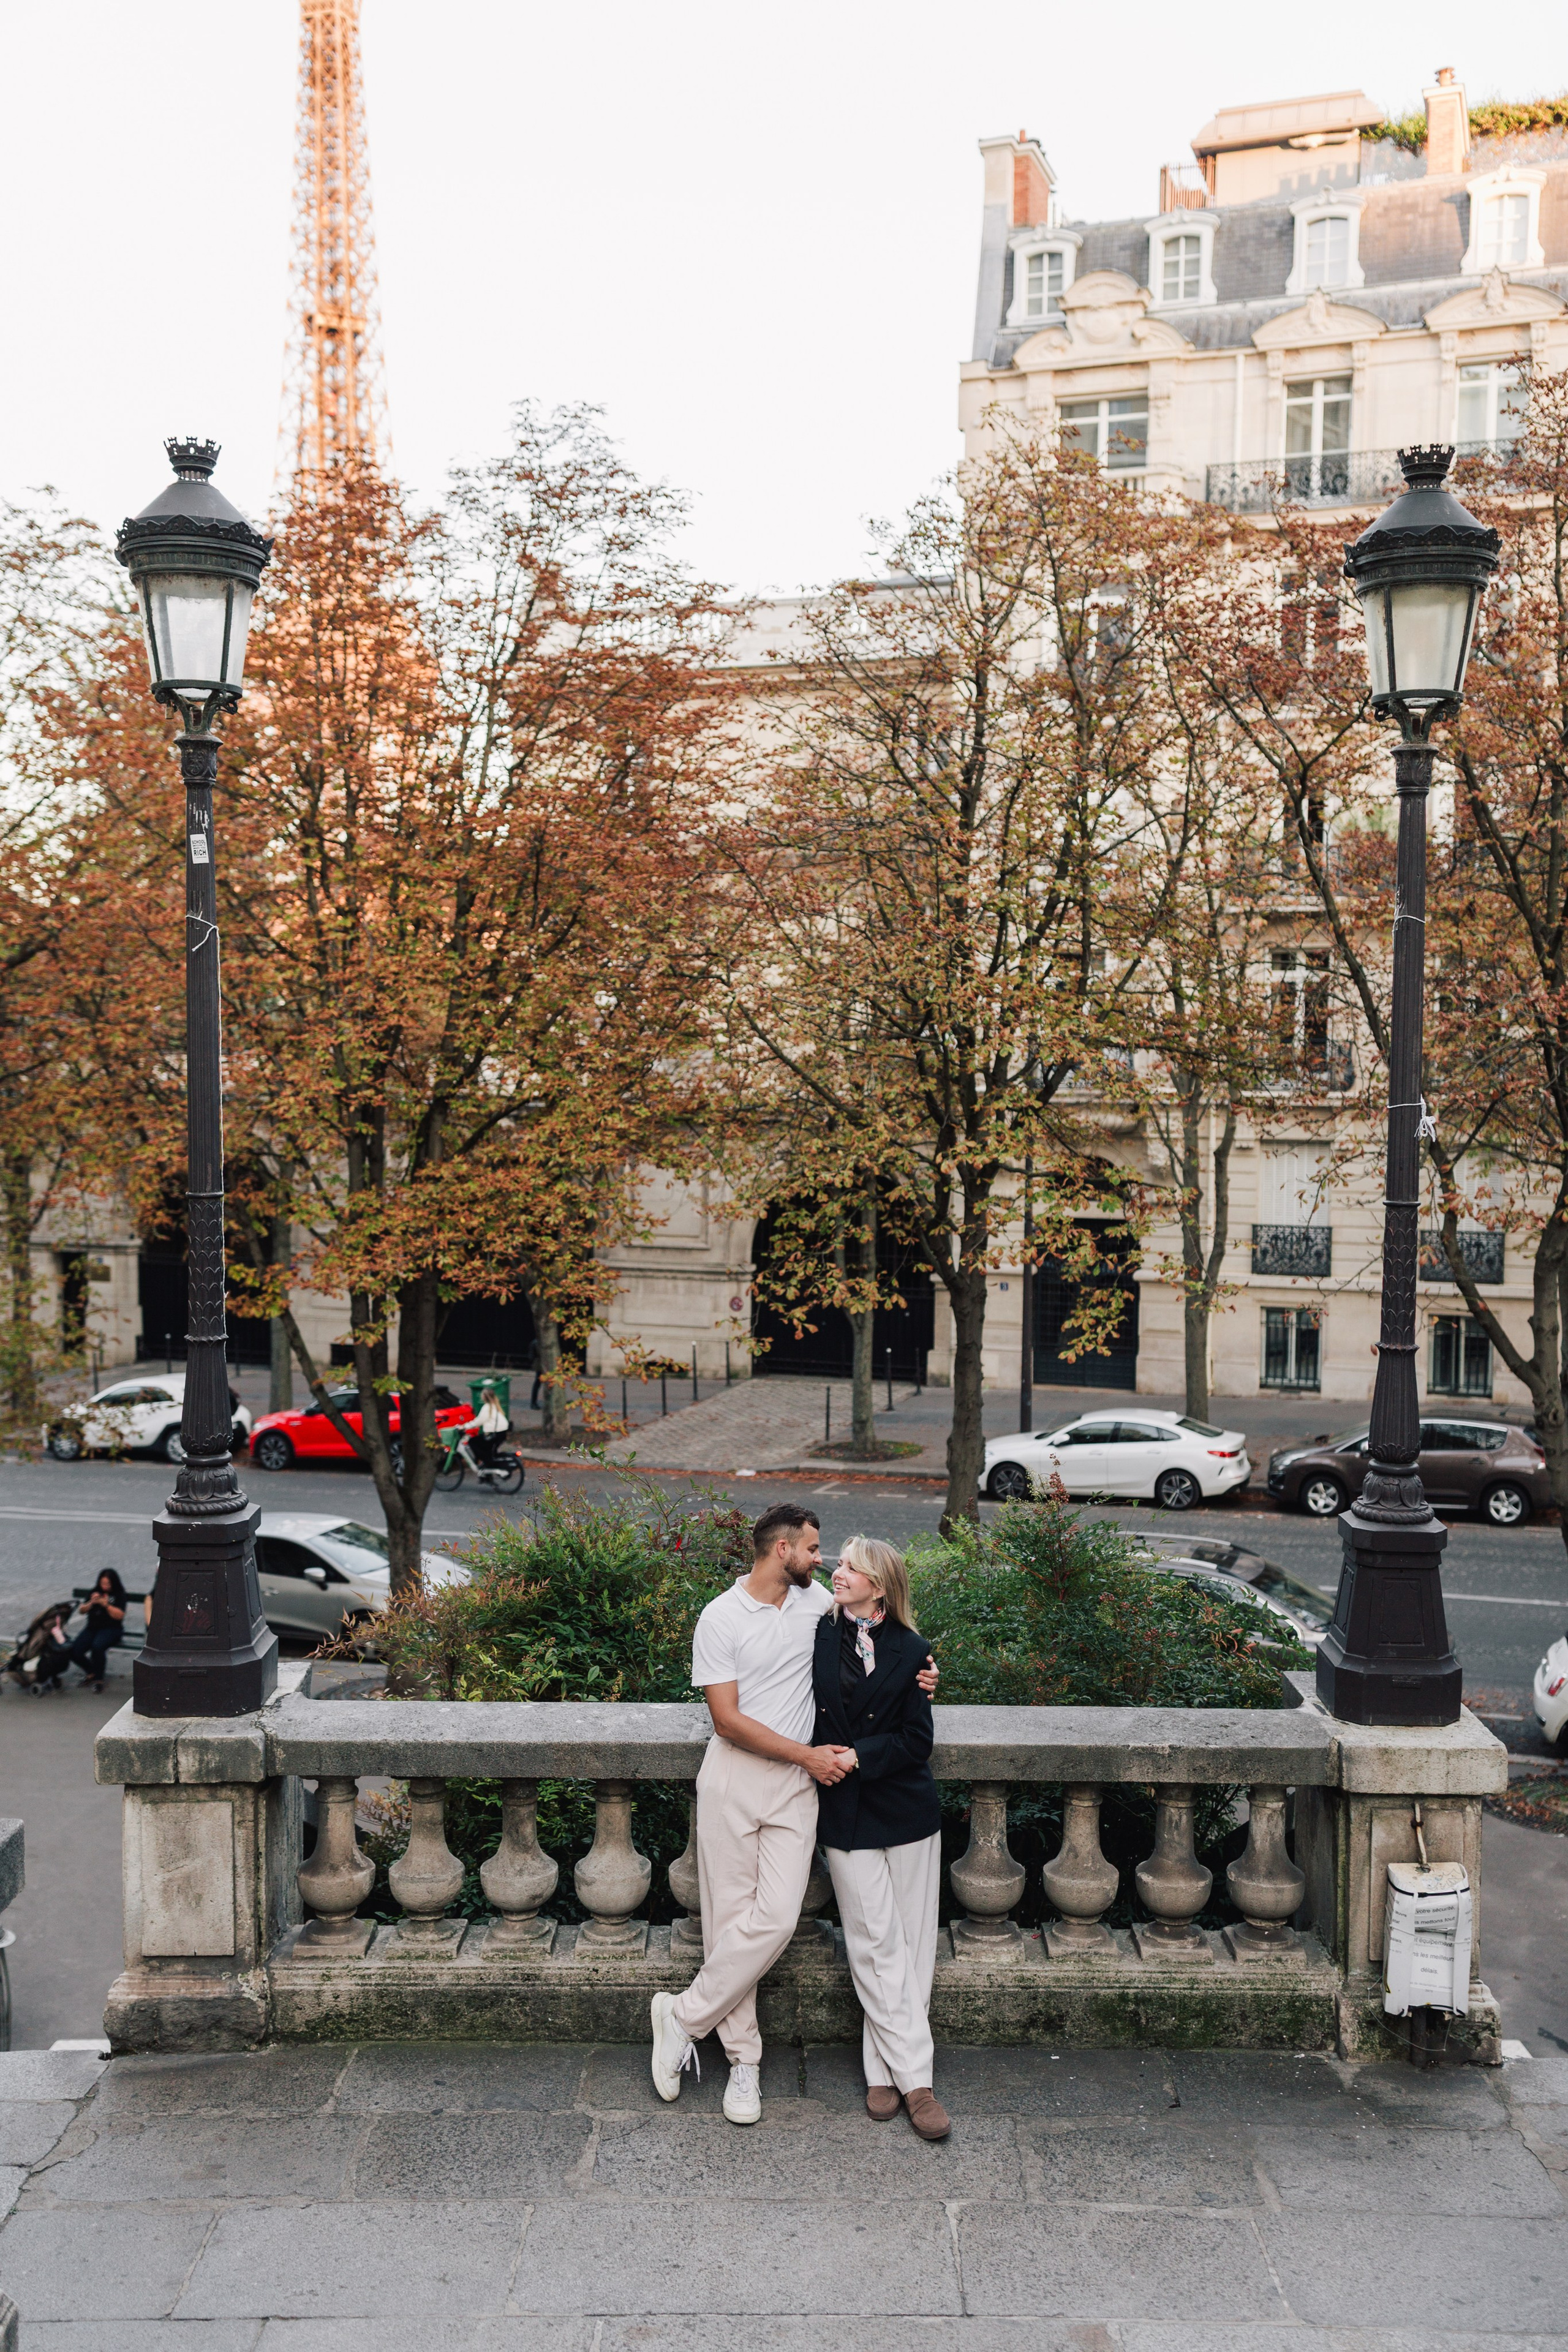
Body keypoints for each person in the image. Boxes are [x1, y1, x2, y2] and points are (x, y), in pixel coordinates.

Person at [650, 1503, 938, 2127]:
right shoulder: (719, 1617)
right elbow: (725, 1721)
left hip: (799, 1788)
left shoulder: (819, 1608)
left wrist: (924, 1672)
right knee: (730, 1924)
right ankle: (743, 2062)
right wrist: (808, 1756)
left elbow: (881, 1638)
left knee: (777, 1918)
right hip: (735, 1777)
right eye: (812, 1549)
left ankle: (681, 2016)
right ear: (782, 1551)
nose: (823, 1560)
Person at [813, 1536, 949, 2141]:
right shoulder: (814, 1628)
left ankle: (881, 2070)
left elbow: (916, 1744)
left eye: (849, 1568)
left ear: (880, 1587)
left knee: (913, 1946)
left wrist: (858, 1756)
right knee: (873, 1941)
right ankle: (916, 2080)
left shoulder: (914, 1650)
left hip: (907, 1810)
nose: (836, 1573)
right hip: (844, 1816)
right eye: (838, 1564)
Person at [34, 1571, 127, 1692]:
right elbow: (82, 1610)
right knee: (74, 1650)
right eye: (103, 1583)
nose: (105, 1586)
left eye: (108, 1584)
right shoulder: (95, 1591)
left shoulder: (119, 1594)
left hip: (111, 1629)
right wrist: (91, 1603)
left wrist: (106, 1605)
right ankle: (91, 1672)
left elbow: (120, 1616)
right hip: (93, 1628)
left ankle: (98, 1679)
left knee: (97, 1647)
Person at [463, 1381, 510, 1468]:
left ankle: (487, 1463)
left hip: (494, 1434)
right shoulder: (495, 1405)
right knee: (487, 1449)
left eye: (482, 1394)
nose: (481, 1396)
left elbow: (478, 1422)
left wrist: (464, 1427)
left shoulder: (487, 1408)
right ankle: (487, 1469)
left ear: (484, 1397)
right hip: (502, 1433)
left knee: (473, 1442)